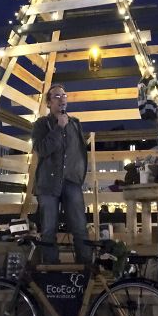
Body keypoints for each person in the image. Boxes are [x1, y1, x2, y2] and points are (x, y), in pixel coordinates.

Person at [31, 83, 92, 264]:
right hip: (48, 184)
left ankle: (86, 270)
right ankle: (51, 272)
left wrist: (79, 175)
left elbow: (80, 152)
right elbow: (42, 149)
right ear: (49, 103)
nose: (62, 99)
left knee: (80, 227)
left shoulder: (75, 124)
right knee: (48, 229)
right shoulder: (41, 124)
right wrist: (58, 128)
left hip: (72, 182)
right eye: (56, 96)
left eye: (64, 96)